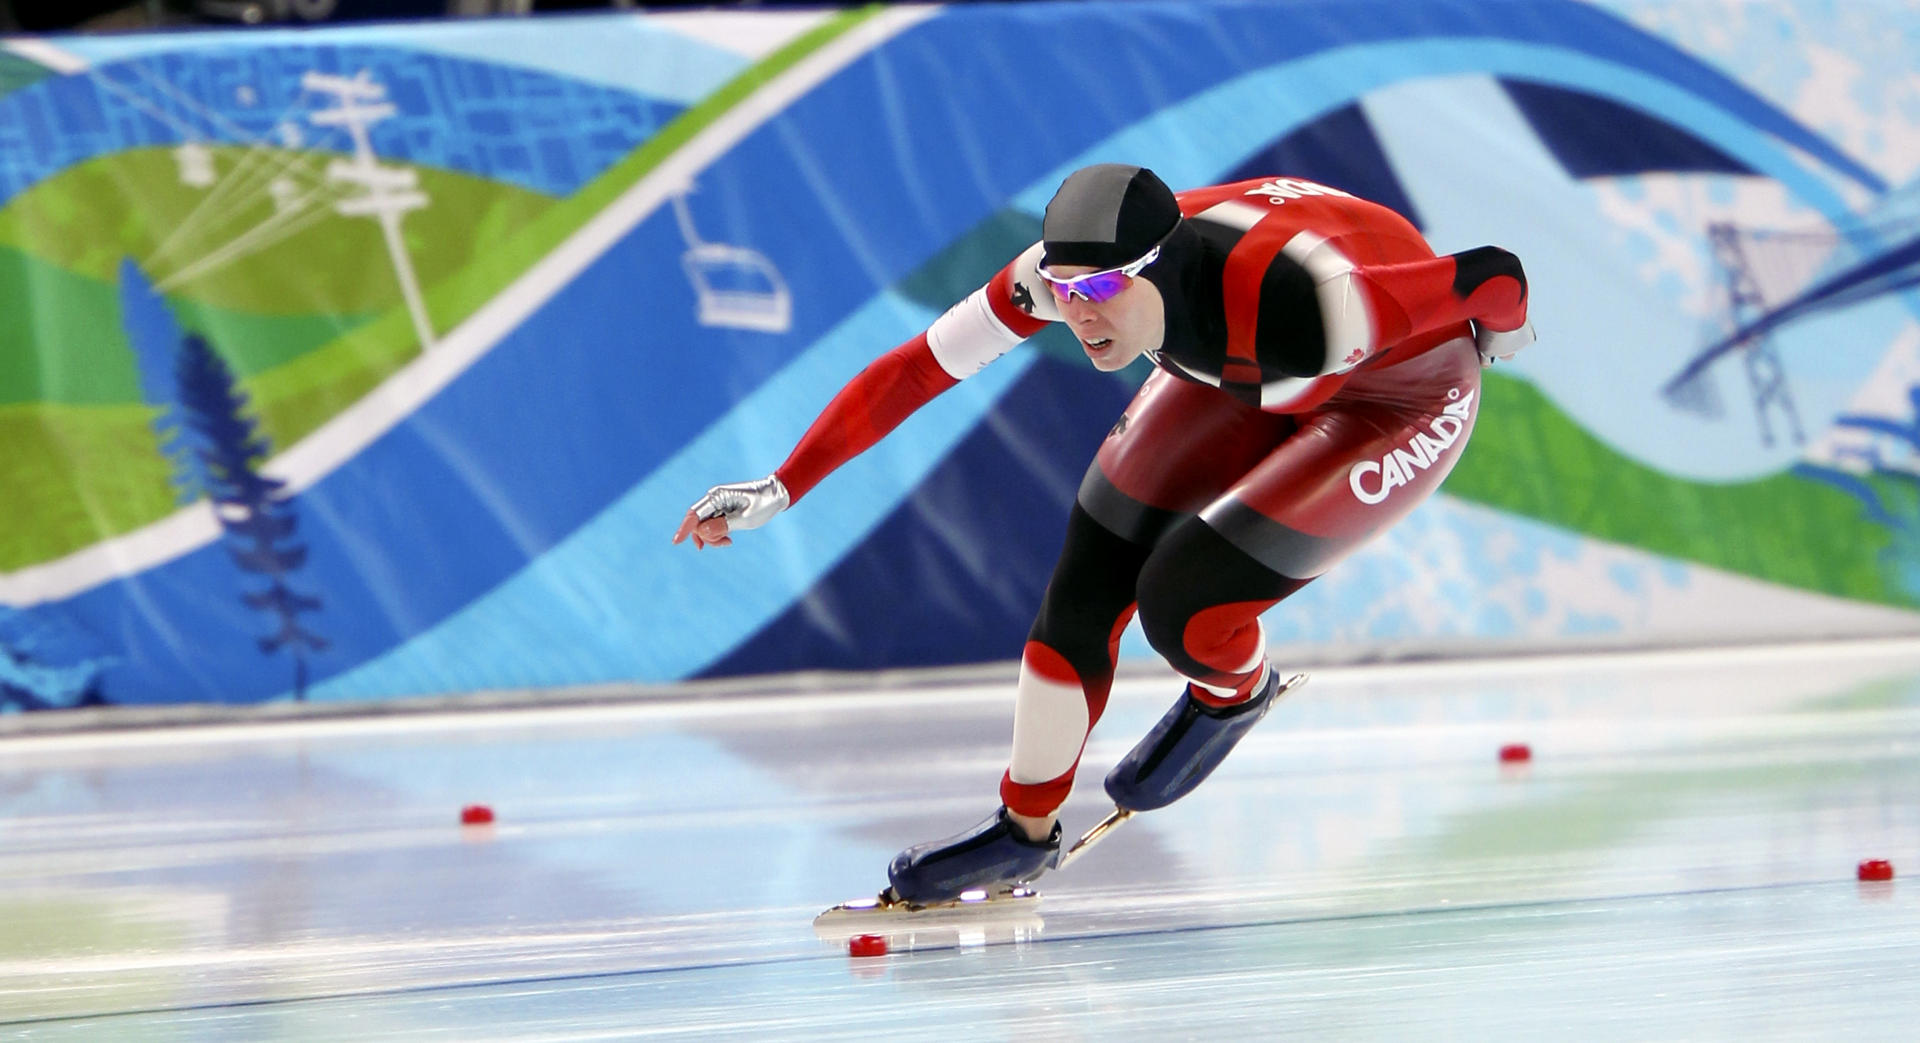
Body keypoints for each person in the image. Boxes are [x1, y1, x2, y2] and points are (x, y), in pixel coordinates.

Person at [673, 163, 1533, 906]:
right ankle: (1023, 826)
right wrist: (784, 484)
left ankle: (1236, 692)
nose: (1080, 316)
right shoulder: (1061, 279)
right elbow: (915, 368)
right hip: (1229, 358)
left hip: (1399, 391)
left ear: (1160, 269)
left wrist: (1504, 337)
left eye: (1102, 293)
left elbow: (1494, 272)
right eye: (1068, 293)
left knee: (1186, 605)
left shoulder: (1315, 305)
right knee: (1085, 583)